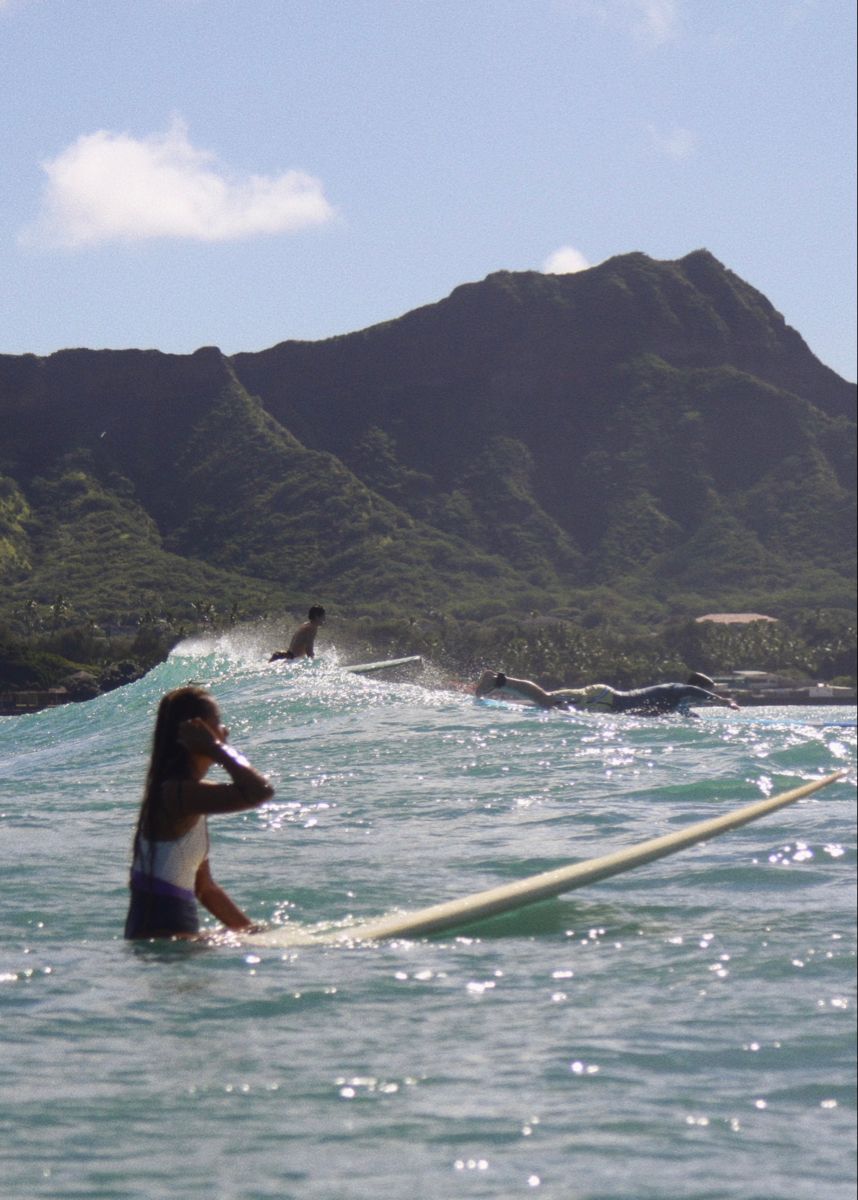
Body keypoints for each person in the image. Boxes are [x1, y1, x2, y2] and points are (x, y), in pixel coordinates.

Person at [124, 686, 274, 940]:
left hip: (171, 942)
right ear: (197, 730)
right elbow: (260, 791)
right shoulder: (176, 794)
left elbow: (205, 889)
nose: (225, 731)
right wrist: (216, 748)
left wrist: (253, 933)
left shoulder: (187, 795)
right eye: (218, 723)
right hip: (162, 941)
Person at [475, 669, 740, 715]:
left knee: (546, 703)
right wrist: (723, 701)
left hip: (605, 701)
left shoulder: (677, 704)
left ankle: (498, 684)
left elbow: (687, 717)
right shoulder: (677, 689)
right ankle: (498, 680)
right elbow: (692, 690)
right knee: (545, 701)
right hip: (605, 699)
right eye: (705, 693)